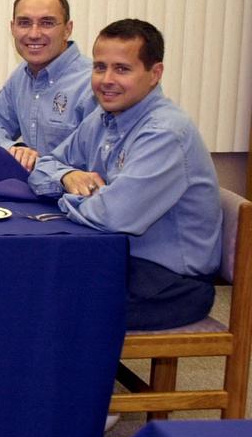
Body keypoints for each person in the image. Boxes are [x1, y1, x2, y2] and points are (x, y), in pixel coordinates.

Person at [30, 19, 220, 330]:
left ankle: (68, 379)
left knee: (38, 305)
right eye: (99, 67)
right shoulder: (103, 118)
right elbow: (42, 167)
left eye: (122, 69)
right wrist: (67, 177)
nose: (106, 80)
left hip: (171, 283)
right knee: (22, 279)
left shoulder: (164, 134)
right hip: (120, 258)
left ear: (154, 74)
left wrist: (73, 195)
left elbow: (112, 216)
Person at [0, 0, 95, 169]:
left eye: (47, 23)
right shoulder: (22, 76)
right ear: (12, 28)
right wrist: (13, 149)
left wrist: (41, 166)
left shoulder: (93, 83)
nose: (34, 34)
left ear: (68, 29)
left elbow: (94, 166)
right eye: (24, 23)